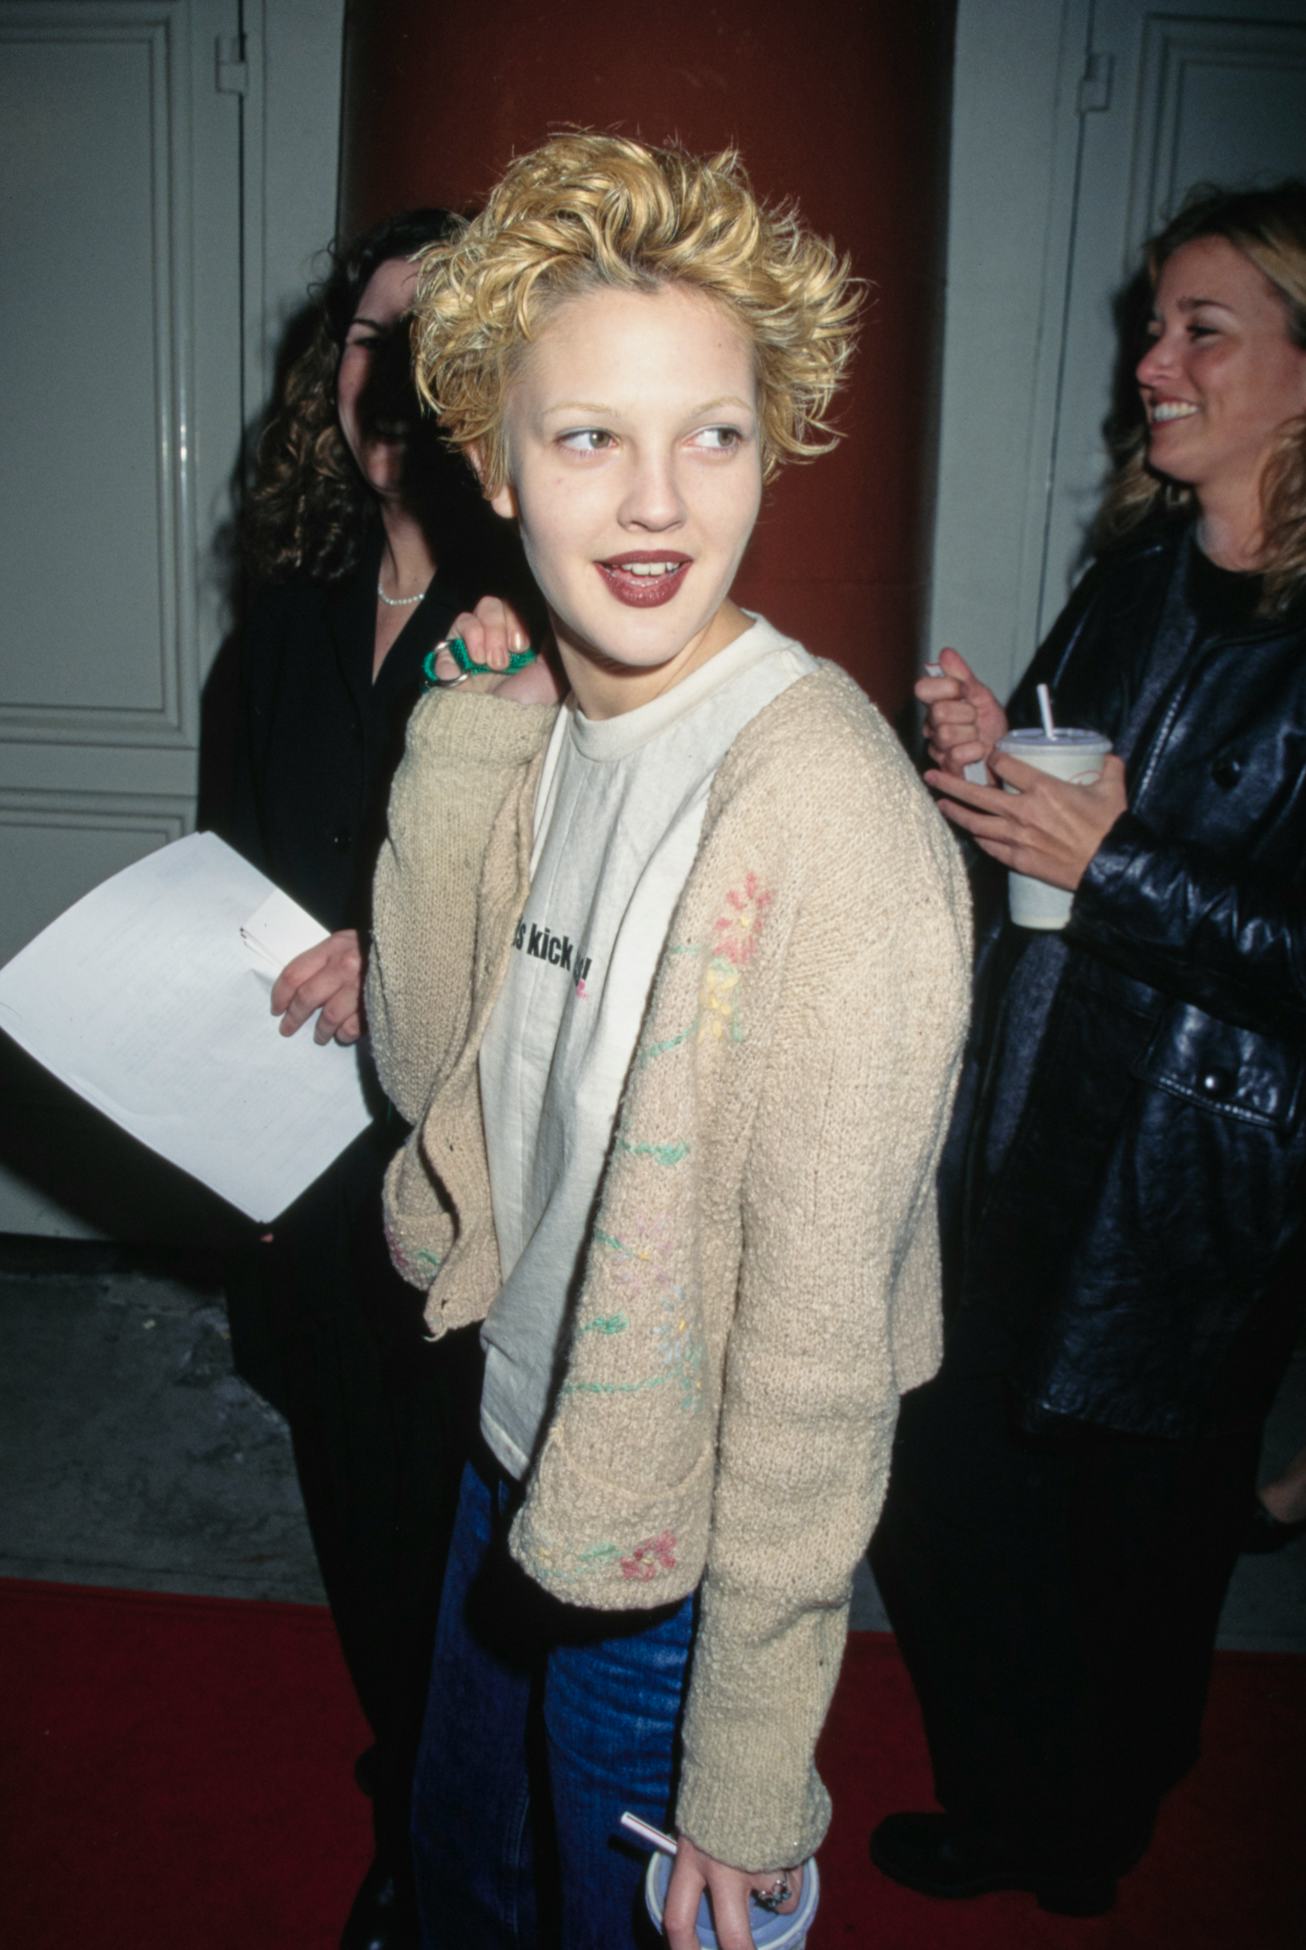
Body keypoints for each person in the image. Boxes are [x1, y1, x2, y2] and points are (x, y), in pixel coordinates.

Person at [365, 132, 971, 1949]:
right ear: (492, 462)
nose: (655, 504)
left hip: (687, 1539)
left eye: (711, 432)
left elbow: (813, 1357)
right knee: (465, 1884)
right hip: (518, 1440)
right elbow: (422, 1070)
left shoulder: (828, 820)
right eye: (587, 437)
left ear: (770, 441)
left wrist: (752, 1762)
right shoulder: (553, 718)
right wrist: (461, 748)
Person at [870, 180, 1306, 1917]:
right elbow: (1063, 779)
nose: (1150, 361)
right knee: (944, 1480)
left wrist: (1112, 865)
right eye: (1153, 323)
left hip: (1203, 1175)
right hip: (1034, 1102)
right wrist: (992, 759)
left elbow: (1144, 868)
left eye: (1201, 328)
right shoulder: (1135, 567)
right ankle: (1028, 1787)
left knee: (1135, 1538)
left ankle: (1087, 1823)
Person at [230, 209, 525, 1949]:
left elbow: (585, 915)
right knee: (351, 1495)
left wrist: (396, 956)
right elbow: (230, 859)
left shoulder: (542, 619)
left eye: (430, 338)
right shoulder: (288, 617)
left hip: (469, 1159)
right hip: (292, 1147)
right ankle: (414, 1767)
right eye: (363, 336)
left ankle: (451, 1819)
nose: (385, 373)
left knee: (458, 1525)